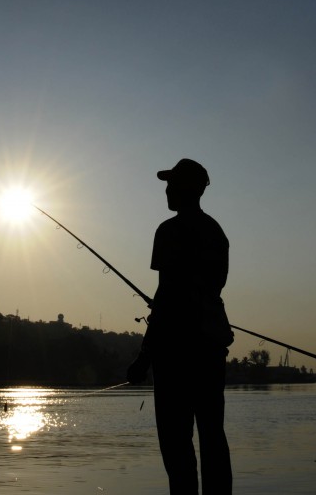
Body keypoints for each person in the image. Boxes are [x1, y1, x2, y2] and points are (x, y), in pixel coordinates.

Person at [127, 158, 233, 494]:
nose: (167, 191)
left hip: (175, 352)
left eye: (172, 184)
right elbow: (213, 288)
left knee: (176, 443)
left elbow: (167, 295)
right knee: (213, 436)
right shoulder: (216, 233)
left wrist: (144, 356)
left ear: (188, 188)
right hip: (211, 348)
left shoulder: (169, 231)